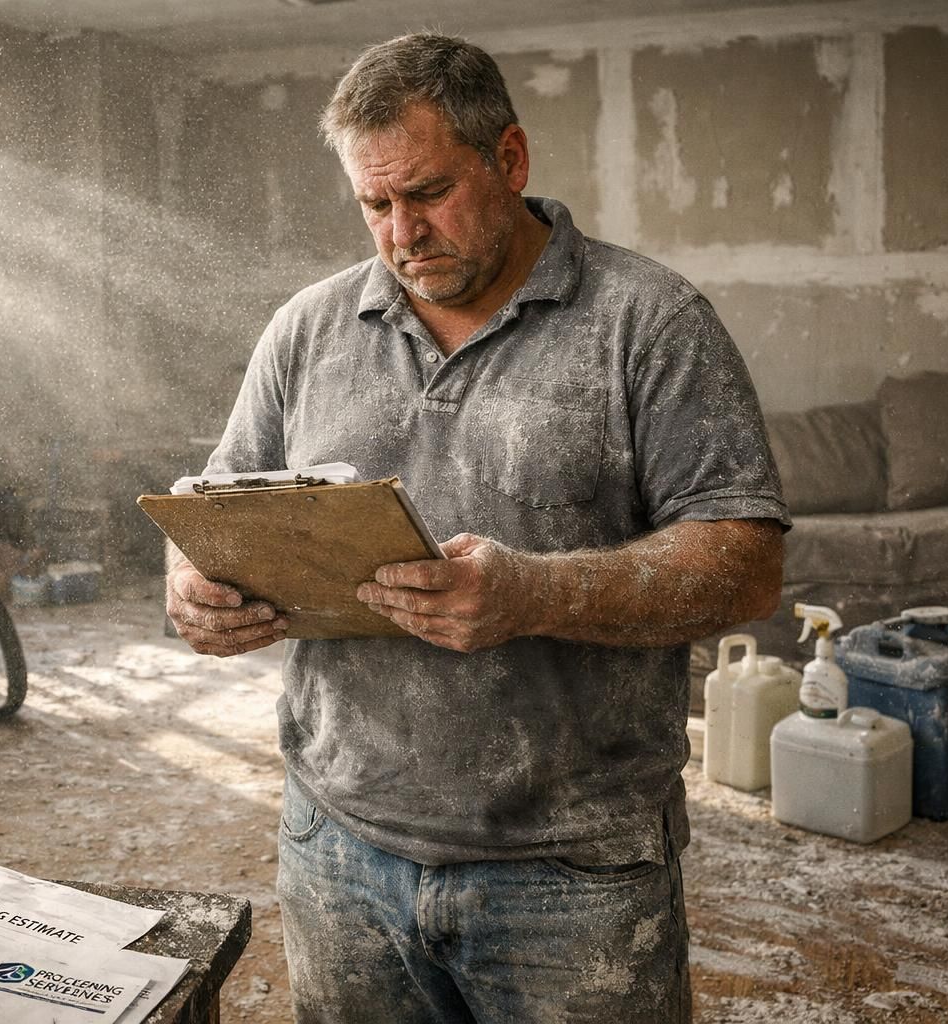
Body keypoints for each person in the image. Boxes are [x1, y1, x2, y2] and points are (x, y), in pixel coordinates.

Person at [164, 32, 787, 1024]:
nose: (402, 232)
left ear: (510, 161)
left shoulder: (651, 322)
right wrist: (190, 585)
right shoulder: (306, 330)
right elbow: (212, 511)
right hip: (339, 850)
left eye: (428, 193)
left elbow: (746, 565)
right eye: (375, 204)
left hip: (573, 871)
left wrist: (535, 591)